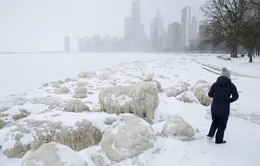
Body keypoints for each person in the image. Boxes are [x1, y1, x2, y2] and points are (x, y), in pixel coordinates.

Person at [207, 67, 239, 144]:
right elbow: (236, 96)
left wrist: (216, 97)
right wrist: (229, 100)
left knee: (215, 121)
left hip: (214, 107)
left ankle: (210, 134)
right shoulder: (231, 85)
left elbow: (209, 94)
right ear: (228, 76)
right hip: (224, 108)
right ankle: (219, 140)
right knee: (222, 124)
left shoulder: (215, 84)